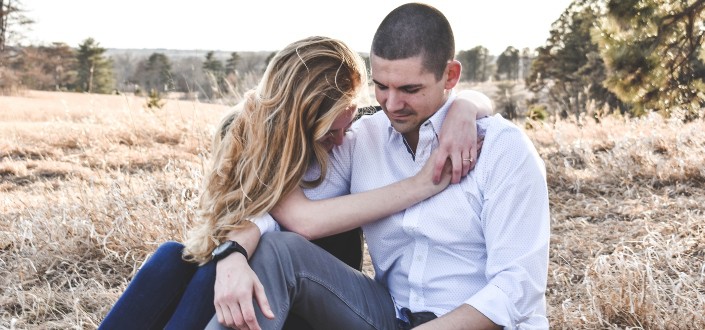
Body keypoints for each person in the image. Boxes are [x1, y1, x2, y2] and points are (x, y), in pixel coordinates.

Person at [99, 35, 489, 329]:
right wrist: (231, 254)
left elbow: (444, 98)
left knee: (212, 275)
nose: (342, 140)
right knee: (173, 258)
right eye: (326, 133)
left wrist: (466, 106)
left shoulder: (355, 126)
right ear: (296, 122)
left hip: (317, 288)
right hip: (269, 276)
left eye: (348, 119)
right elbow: (286, 218)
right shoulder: (253, 137)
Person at [206, 3, 550, 330]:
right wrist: (233, 252)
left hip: (471, 323)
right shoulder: (362, 139)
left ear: (450, 75)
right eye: (381, 87)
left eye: (410, 89)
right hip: (388, 314)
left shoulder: (502, 149)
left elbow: (516, 287)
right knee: (280, 253)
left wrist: (469, 106)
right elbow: (283, 207)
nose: (392, 104)